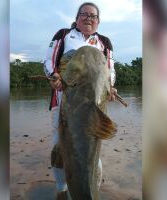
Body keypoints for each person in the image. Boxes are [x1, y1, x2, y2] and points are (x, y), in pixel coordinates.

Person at [44, 2, 117, 199]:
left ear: (98, 21)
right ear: (77, 18)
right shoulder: (63, 35)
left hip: (94, 105)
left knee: (92, 151)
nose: (88, 18)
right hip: (63, 101)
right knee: (61, 147)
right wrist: (54, 77)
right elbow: (49, 61)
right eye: (84, 14)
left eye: (93, 16)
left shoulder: (105, 42)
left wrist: (111, 86)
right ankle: (61, 189)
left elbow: (110, 70)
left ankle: (92, 192)